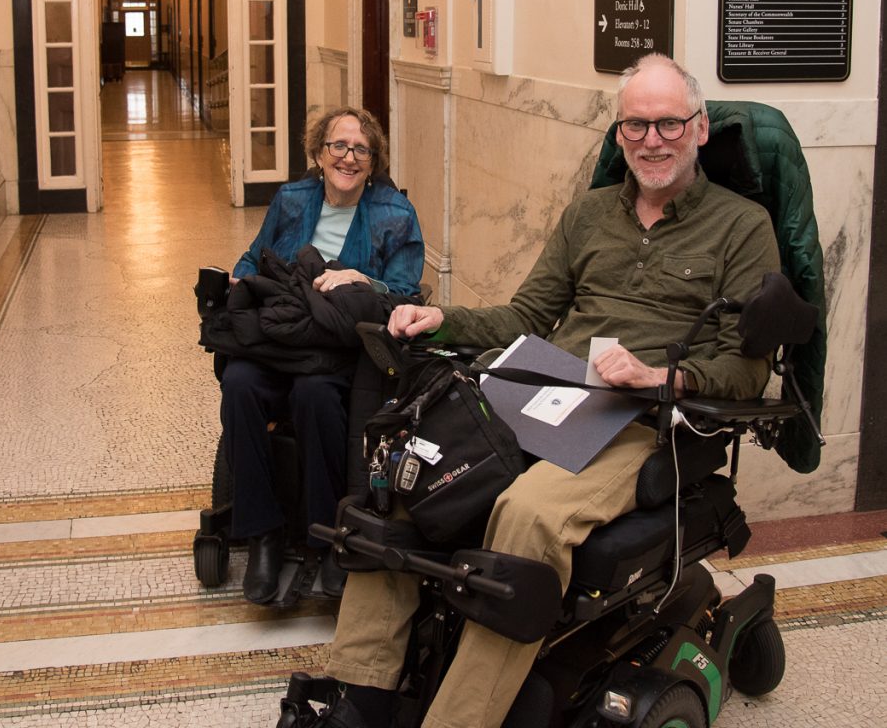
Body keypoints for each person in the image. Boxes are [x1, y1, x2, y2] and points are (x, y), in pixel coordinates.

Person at [319, 56, 782, 728]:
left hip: (640, 421)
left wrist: (659, 377)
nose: (651, 140)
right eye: (634, 126)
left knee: (528, 514)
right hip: (541, 393)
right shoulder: (589, 214)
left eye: (668, 125)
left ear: (700, 129)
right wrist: (441, 317)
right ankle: (358, 699)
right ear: (617, 134)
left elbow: (746, 369)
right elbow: (525, 317)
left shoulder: (741, 228)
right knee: (406, 476)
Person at [220, 106, 424, 604]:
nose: (349, 158)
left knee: (315, 396)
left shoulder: (395, 214)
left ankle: (324, 535)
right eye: (338, 146)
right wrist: (237, 278)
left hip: (338, 348)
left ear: (373, 162)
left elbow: (405, 291)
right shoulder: (292, 199)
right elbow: (253, 257)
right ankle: (263, 533)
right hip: (282, 338)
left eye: (361, 149)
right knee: (241, 384)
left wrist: (361, 279)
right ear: (318, 153)